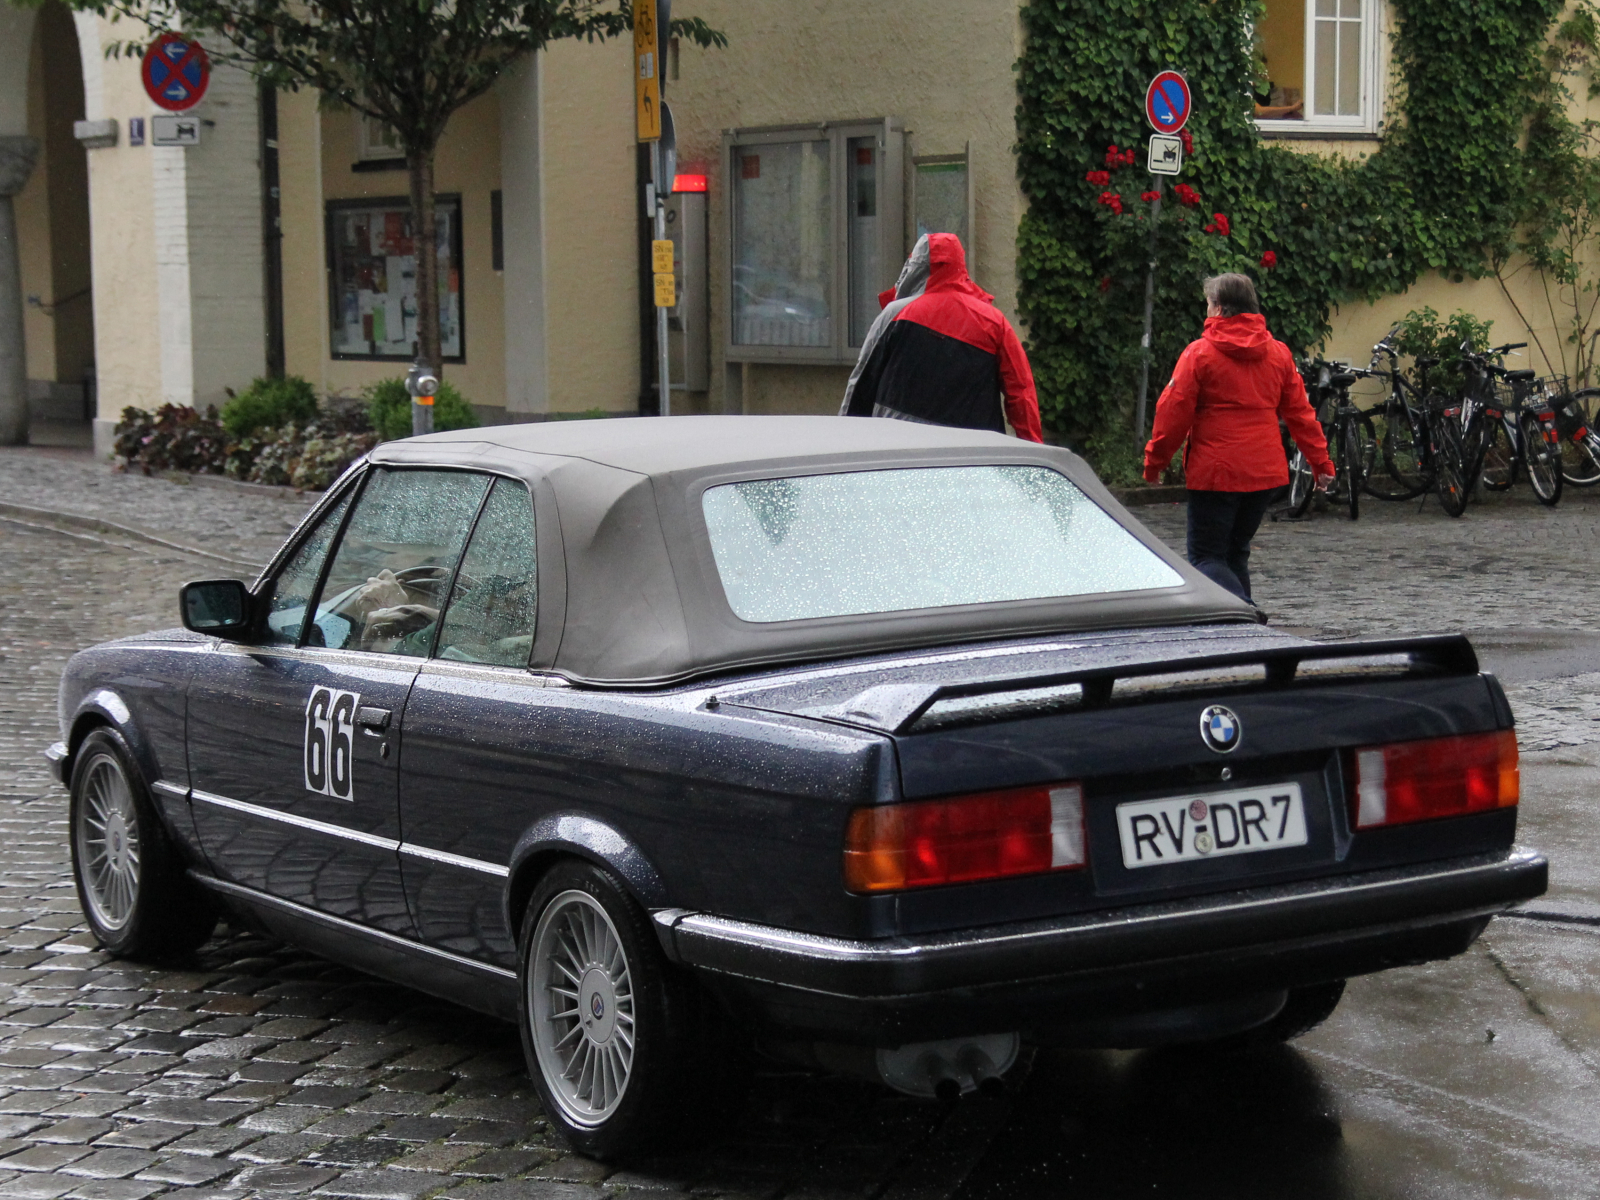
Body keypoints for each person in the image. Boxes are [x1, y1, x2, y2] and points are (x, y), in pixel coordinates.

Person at [1143, 273, 1332, 604]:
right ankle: (1244, 630)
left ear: (1218, 308)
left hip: (1216, 472)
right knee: (1235, 552)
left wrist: (1155, 462)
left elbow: (1172, 413)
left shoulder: (1199, 354)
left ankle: (1245, 612)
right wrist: (1320, 462)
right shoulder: (1278, 354)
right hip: (1263, 472)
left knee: (1206, 557)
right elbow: (1301, 414)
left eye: (1208, 304)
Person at [841, 233, 1043, 442]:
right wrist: (1034, 454)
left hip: (897, 447)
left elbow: (861, 383)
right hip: (971, 456)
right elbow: (1021, 393)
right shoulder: (994, 323)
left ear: (917, 266)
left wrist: (845, 445)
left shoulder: (896, 314)